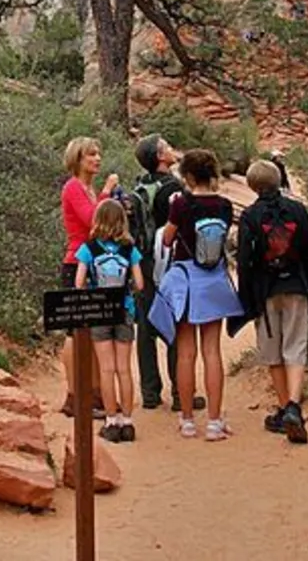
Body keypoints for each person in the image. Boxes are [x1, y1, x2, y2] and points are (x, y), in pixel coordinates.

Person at [158, 148, 245, 441]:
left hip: (186, 282)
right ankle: (214, 421)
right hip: (214, 282)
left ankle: (186, 421)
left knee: (186, 353)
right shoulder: (223, 205)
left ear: (189, 176)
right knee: (212, 352)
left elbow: (168, 239)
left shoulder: (181, 203)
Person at [236, 159, 308, 445]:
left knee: (273, 353)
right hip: (297, 286)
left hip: (266, 290)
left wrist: (246, 299)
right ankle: (294, 407)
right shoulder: (298, 210)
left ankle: (284, 410)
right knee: (295, 348)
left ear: (252, 185)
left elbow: (245, 262)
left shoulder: (250, 216)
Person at [131, 134, 201, 413]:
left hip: (143, 261)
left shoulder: (140, 185)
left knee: (145, 328)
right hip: (170, 262)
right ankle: (180, 392)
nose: (173, 150)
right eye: (167, 147)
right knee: (176, 323)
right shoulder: (173, 188)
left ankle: (150, 393)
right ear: (160, 156)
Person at [75, 199, 145, 443]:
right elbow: (140, 283)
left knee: (106, 369)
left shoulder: (89, 248)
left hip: (100, 311)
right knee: (124, 368)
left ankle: (111, 420)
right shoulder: (129, 249)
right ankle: (128, 421)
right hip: (123, 309)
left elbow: (78, 282)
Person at [60, 136, 119, 418]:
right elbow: (93, 221)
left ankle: (95, 394)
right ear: (78, 159)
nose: (97, 159)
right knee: (74, 332)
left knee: (95, 330)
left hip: (95, 264)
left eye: (98, 153)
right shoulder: (74, 187)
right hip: (77, 265)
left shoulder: (88, 188)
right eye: (90, 155)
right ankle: (74, 395)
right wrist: (108, 192)